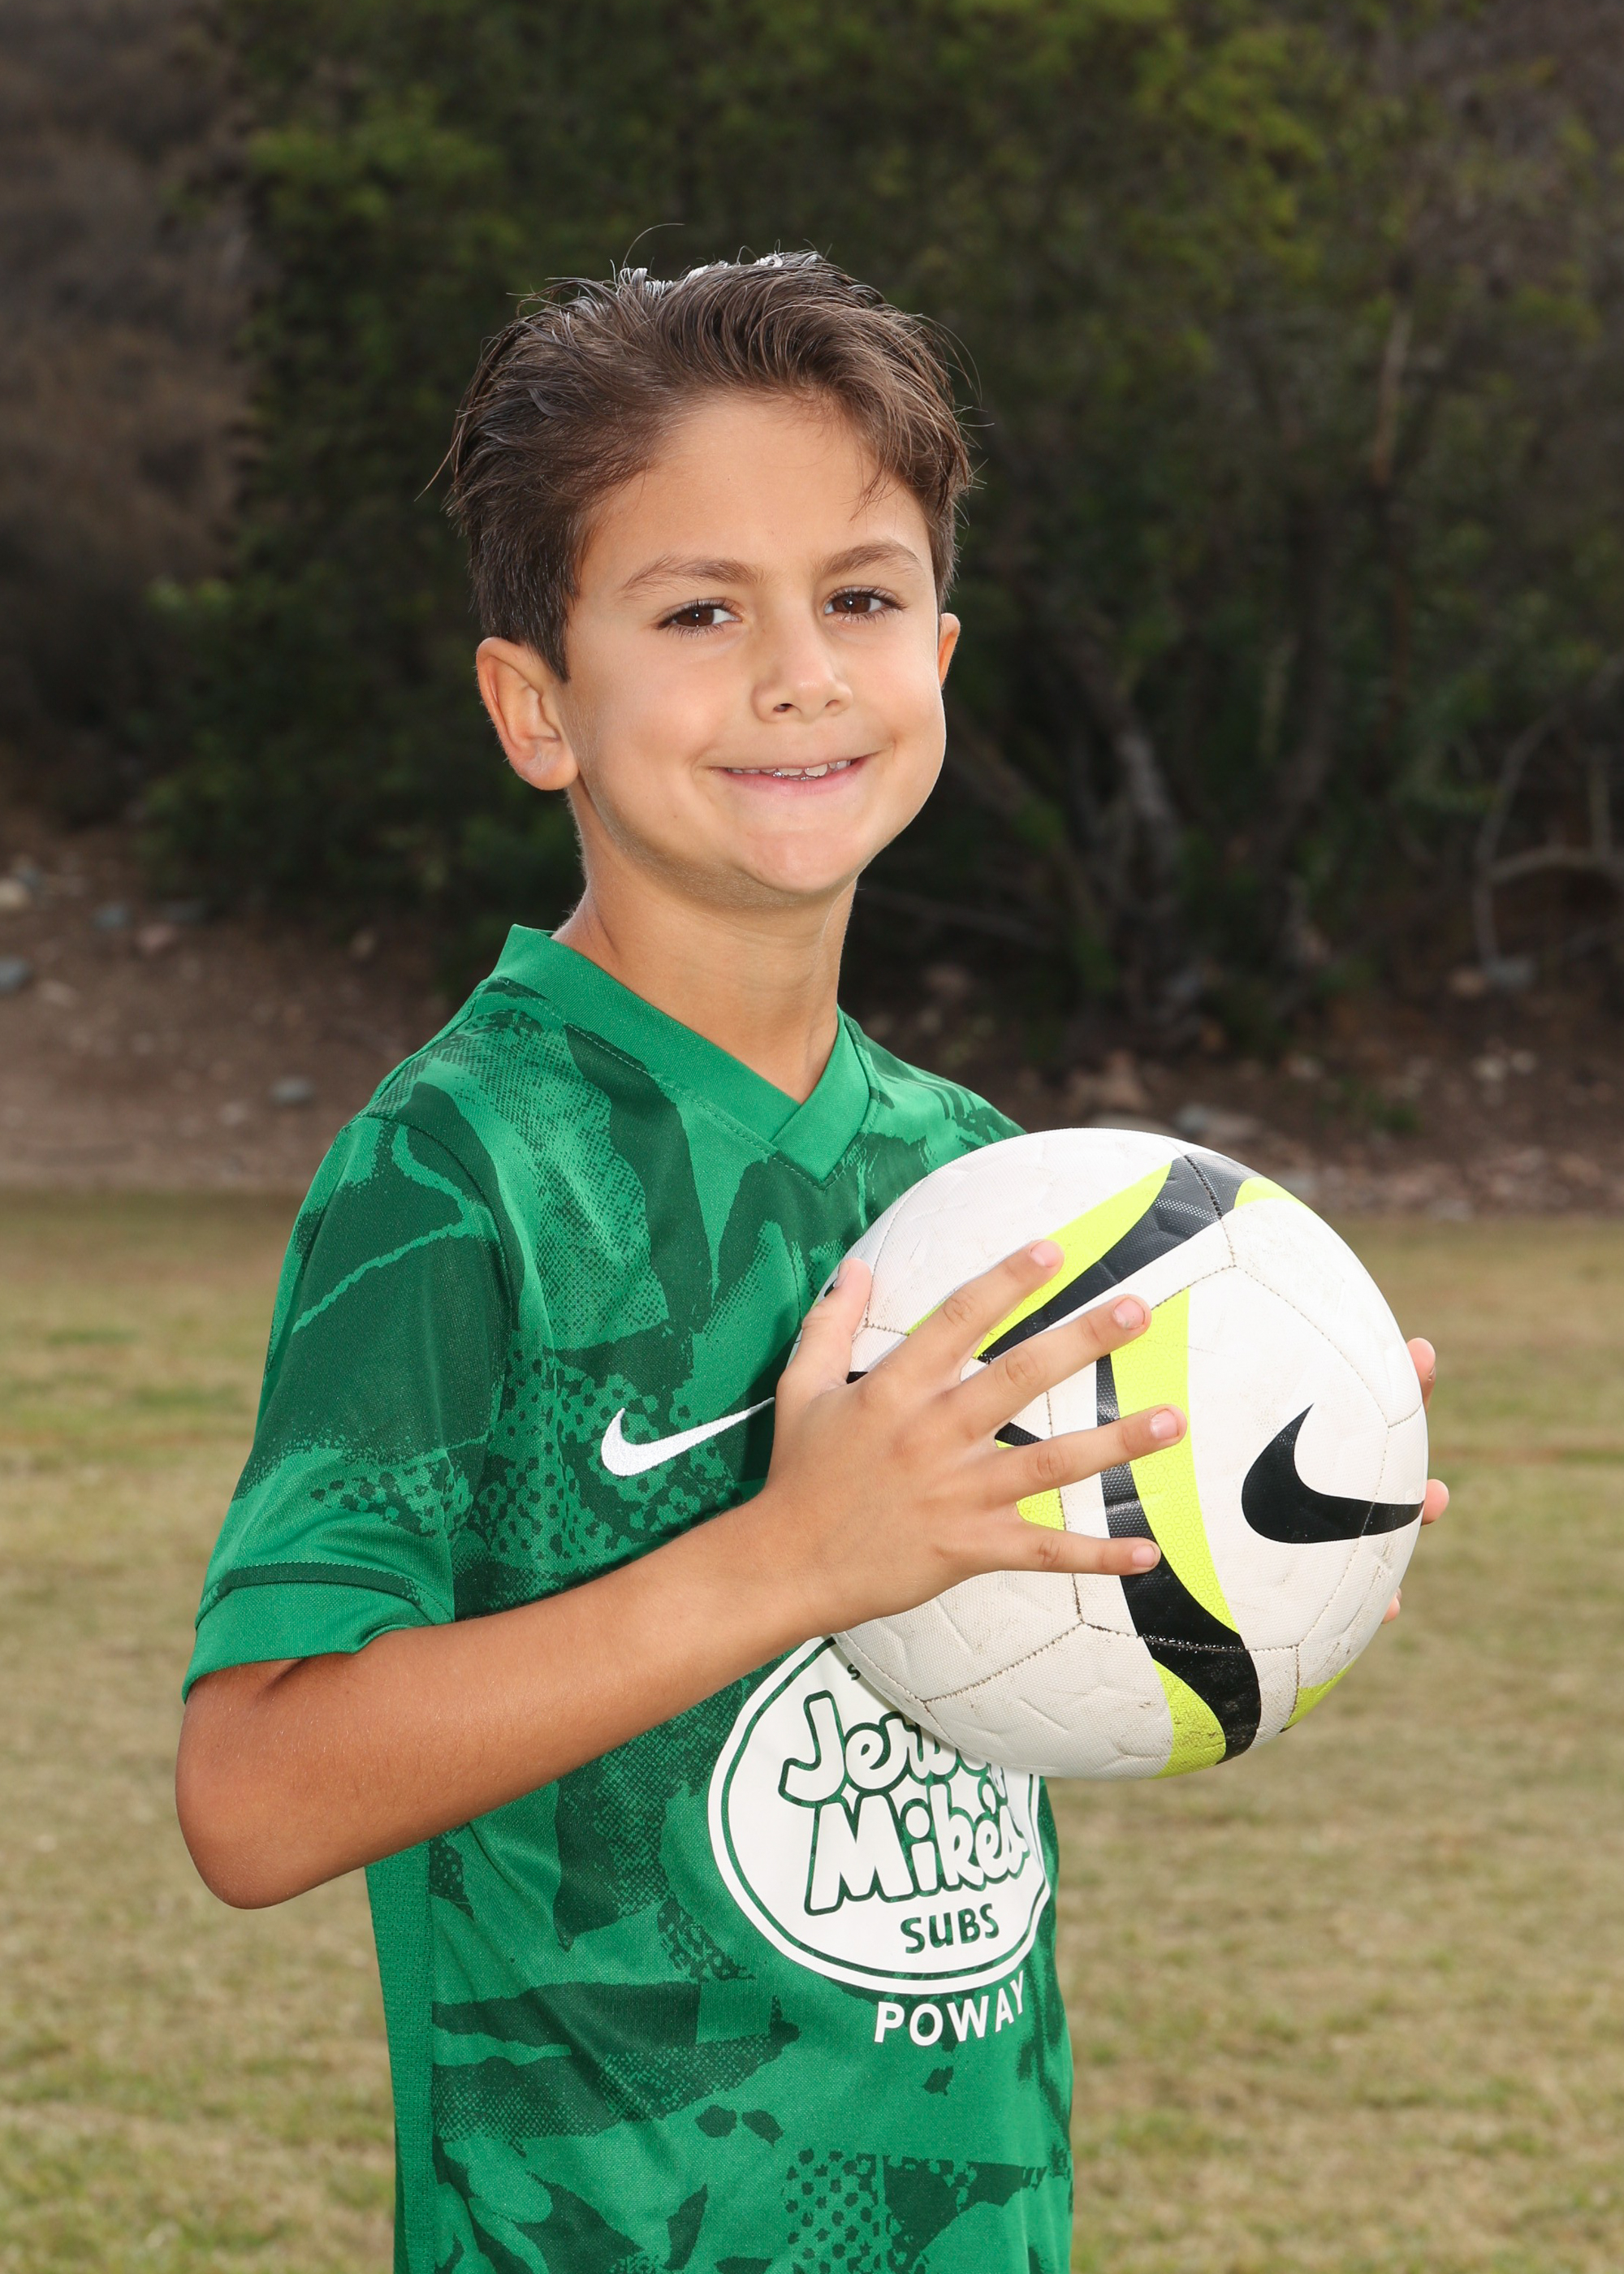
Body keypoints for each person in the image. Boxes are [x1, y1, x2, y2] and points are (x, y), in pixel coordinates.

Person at [175, 255, 1447, 2274]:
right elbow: (253, 1793)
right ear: (536, 704)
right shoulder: (460, 1169)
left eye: (857, 597)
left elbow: (1013, 1660)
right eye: (700, 610)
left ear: (936, 650)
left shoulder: (983, 1176)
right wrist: (791, 1555)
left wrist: (1265, 1511)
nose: (798, 673)